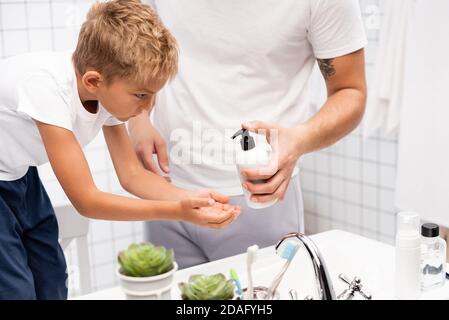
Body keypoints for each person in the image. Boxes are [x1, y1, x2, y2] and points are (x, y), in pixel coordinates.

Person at [0, 0, 240, 300]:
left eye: (153, 95)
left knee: (51, 278)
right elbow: (87, 201)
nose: (147, 107)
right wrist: (176, 212)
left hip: (19, 175)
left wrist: (191, 199)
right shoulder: (46, 89)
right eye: (141, 94)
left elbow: (131, 175)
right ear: (94, 80)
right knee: (15, 292)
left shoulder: (105, 91)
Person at [129, 0, 368, 268]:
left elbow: (350, 92)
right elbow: (129, 45)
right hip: (164, 191)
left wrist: (298, 141)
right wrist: (137, 119)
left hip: (259, 200)